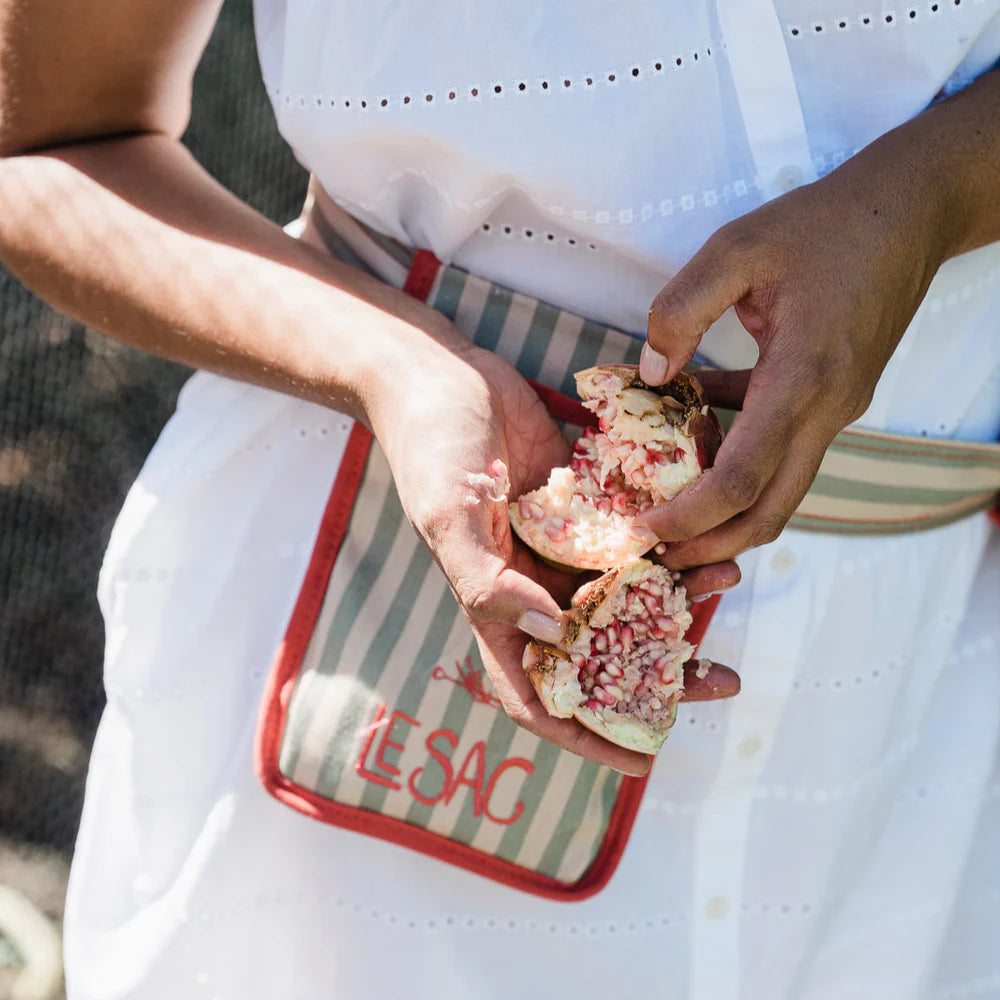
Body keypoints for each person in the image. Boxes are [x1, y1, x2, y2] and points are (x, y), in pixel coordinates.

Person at [1, 1, 998, 997]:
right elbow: (49, 148)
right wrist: (400, 369)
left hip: (918, 693)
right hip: (369, 592)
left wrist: (927, 195)